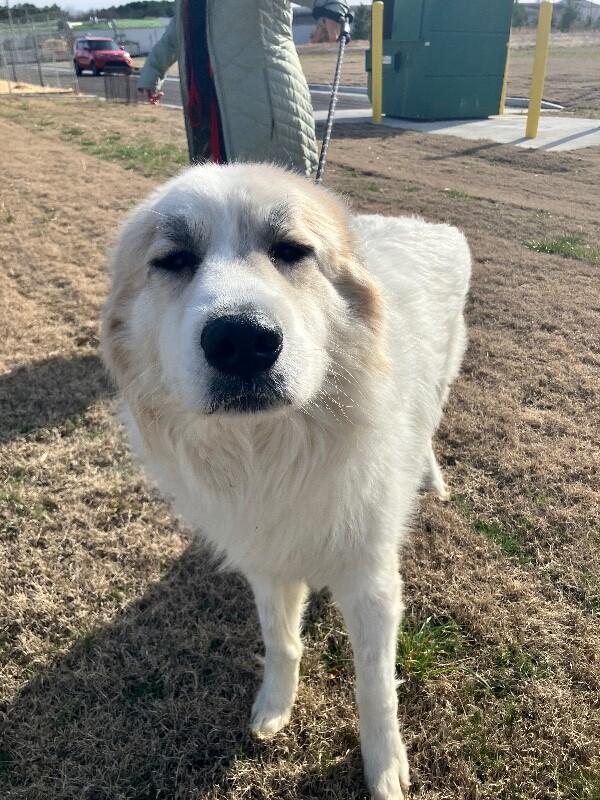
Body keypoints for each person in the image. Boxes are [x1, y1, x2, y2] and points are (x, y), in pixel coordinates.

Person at [137, 1, 351, 175]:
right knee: (225, 198)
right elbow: (176, 34)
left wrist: (332, 6)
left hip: (266, 99)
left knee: (276, 196)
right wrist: (152, 72)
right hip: (209, 109)